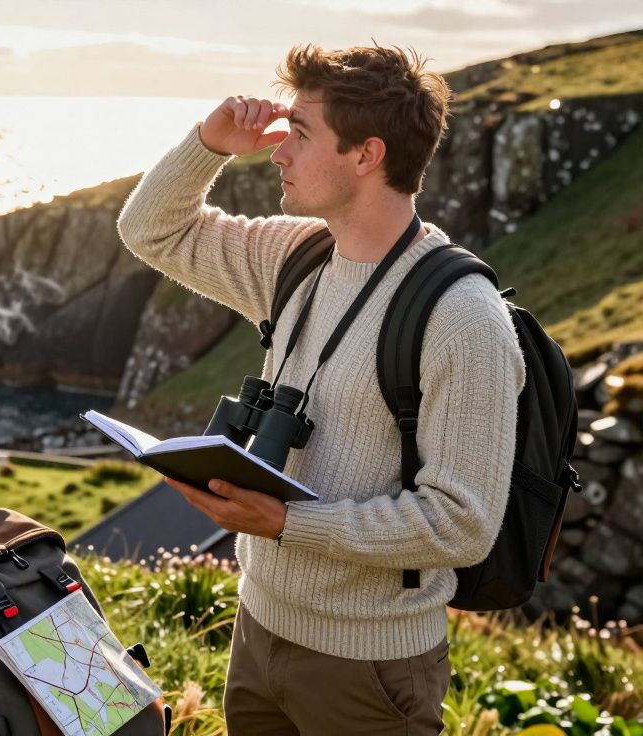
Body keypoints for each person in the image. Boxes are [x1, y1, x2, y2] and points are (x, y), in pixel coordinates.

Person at [117, 44, 525, 735]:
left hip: (370, 671)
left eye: (299, 135)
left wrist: (286, 523)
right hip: (258, 630)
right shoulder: (296, 255)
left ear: (367, 155)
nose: (276, 152)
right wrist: (209, 144)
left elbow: (462, 521)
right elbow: (150, 229)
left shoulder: (462, 318)